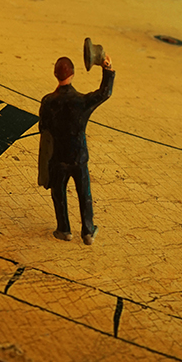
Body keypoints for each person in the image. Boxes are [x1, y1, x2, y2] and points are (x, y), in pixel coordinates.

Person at [38, 51, 115, 245]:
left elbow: (43, 128)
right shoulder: (81, 101)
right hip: (79, 156)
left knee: (59, 194)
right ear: (72, 74)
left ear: (56, 74)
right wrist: (107, 70)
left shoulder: (48, 101)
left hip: (57, 156)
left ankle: (64, 229)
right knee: (84, 194)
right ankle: (88, 231)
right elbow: (104, 93)